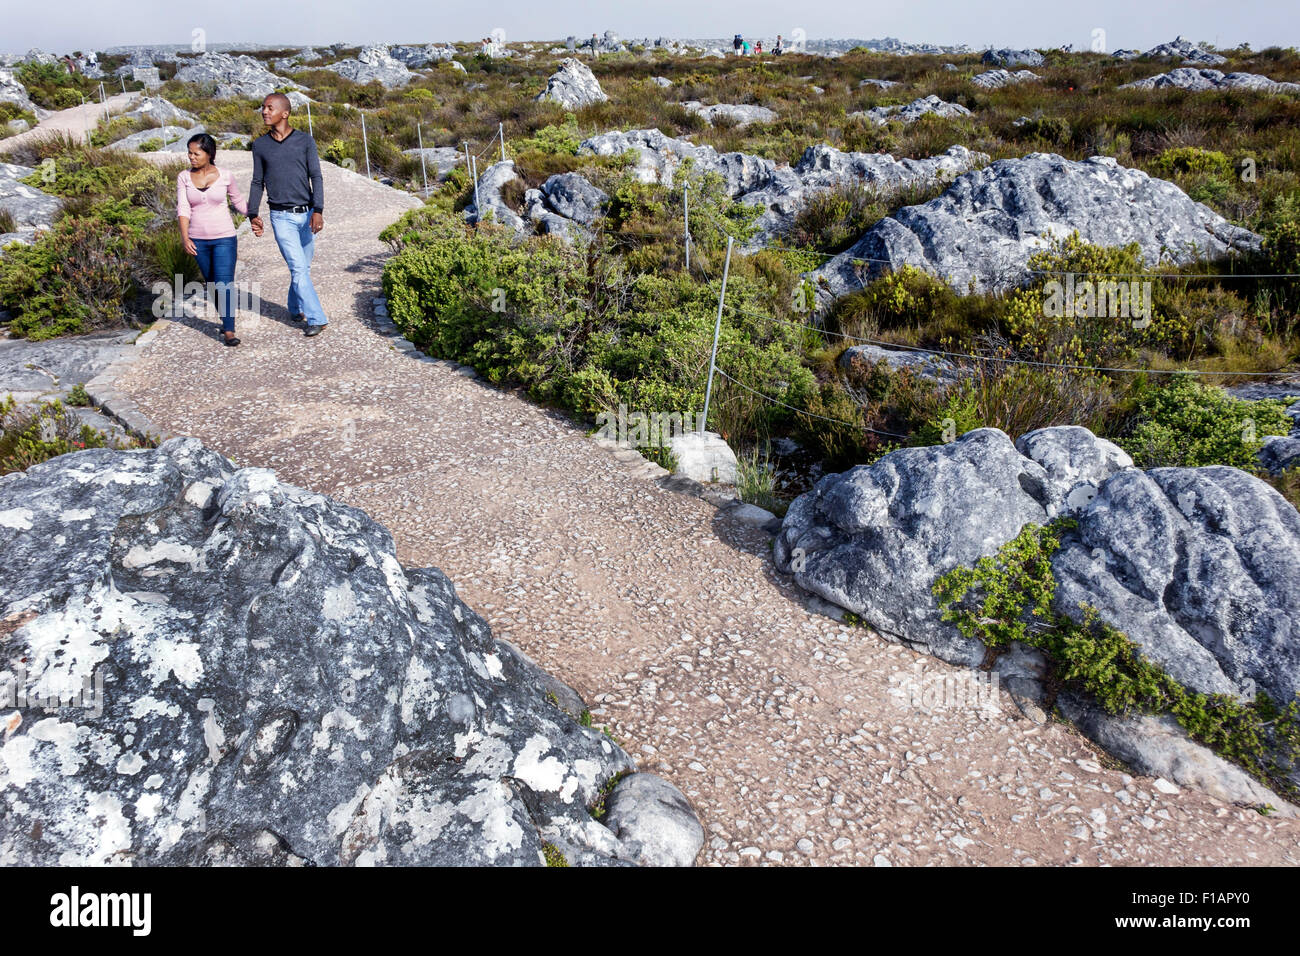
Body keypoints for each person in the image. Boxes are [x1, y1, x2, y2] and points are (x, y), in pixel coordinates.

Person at [247, 93, 328, 337]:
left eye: (270, 108)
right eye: (263, 107)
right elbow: (256, 181)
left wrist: (318, 210)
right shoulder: (260, 146)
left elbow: (316, 176)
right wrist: (252, 213)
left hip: (307, 215)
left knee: (303, 267)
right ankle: (317, 318)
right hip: (281, 218)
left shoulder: (305, 141)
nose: (264, 111)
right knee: (298, 267)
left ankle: (295, 307)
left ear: (285, 113)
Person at [177, 132, 248, 346]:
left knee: (224, 283)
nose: (191, 157)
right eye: (189, 153)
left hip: (224, 237)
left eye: (196, 153)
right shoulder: (184, 177)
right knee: (212, 284)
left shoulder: (225, 175)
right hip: (198, 240)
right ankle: (226, 318)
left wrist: (254, 217)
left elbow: (238, 201)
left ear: (209, 153)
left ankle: (229, 329)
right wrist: (185, 237)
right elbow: (183, 208)